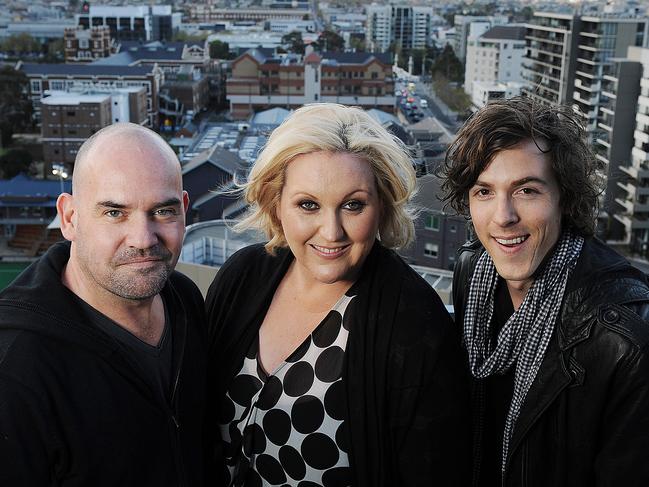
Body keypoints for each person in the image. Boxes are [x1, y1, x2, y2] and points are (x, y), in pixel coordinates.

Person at [205, 103, 470, 486]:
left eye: (353, 205)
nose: (331, 232)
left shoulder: (415, 325)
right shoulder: (242, 277)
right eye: (308, 205)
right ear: (276, 204)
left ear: (382, 207)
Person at [440, 96, 649, 486]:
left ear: (564, 199)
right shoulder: (473, 271)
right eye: (484, 192)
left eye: (527, 191)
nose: (503, 217)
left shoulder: (624, 338)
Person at [0, 123, 207, 486]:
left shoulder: (183, 300)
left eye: (163, 211)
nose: (143, 239)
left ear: (184, 211)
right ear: (70, 218)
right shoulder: (16, 371)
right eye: (115, 213)